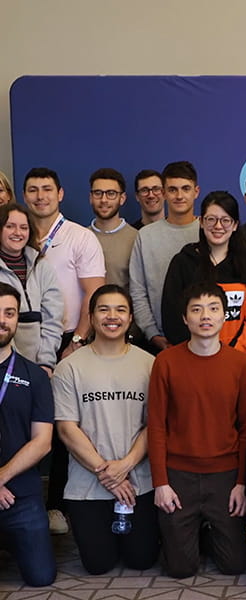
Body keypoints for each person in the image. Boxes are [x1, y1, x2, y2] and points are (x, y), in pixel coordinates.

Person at [148, 281, 246, 578]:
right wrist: (161, 483)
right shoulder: (166, 362)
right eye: (196, 310)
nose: (205, 316)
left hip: (225, 475)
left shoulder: (239, 362)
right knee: (180, 569)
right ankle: (187, 531)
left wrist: (241, 483)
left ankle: (206, 530)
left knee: (234, 565)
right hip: (178, 475)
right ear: (185, 318)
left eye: (213, 309)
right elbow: (156, 425)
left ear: (224, 317)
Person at [23, 166, 106, 535]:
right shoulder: (15, 234)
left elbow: (94, 294)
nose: (40, 196)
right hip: (21, 340)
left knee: (60, 426)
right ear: (24, 196)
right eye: (32, 190)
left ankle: (56, 506)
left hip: (68, 340)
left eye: (46, 189)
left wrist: (76, 343)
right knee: (20, 423)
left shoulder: (80, 237)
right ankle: (22, 505)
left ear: (60, 194)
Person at [53, 284, 159, 574]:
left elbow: (156, 425)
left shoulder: (151, 364)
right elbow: (66, 429)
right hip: (88, 486)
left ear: (130, 317)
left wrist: (125, 465)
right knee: (98, 566)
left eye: (120, 309)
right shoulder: (69, 367)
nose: (112, 316)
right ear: (91, 316)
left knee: (142, 560)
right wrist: (107, 473)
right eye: (103, 309)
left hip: (139, 482)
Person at [0, 283, 56, 586]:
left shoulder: (34, 375)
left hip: (21, 496)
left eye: (9, 313)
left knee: (41, 578)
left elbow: (43, 441)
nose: (2, 320)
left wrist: (1, 478)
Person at [162, 191, 246, 351]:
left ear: (235, 225)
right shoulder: (183, 262)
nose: (218, 226)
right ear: (201, 222)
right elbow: (172, 316)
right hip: (191, 358)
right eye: (211, 219)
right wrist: (199, 351)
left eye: (225, 220)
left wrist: (233, 353)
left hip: (236, 357)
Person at [129, 161, 200, 353]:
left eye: (185, 189)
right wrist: (153, 334)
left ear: (196, 191)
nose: (179, 196)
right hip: (159, 342)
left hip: (207, 338)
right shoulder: (146, 236)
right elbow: (138, 291)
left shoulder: (209, 231)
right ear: (164, 193)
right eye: (172, 189)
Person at [0, 204, 63, 373]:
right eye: (10, 226)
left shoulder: (42, 266)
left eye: (23, 227)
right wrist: (14, 365)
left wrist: (46, 362)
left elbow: (53, 318)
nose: (17, 233)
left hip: (41, 365)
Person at [88, 168, 138, 291]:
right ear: (91, 198)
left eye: (111, 193)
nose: (104, 200)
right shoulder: (80, 237)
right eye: (98, 193)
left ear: (122, 198)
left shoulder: (137, 238)